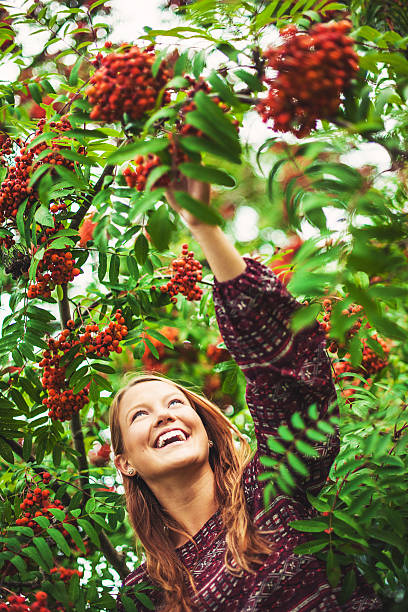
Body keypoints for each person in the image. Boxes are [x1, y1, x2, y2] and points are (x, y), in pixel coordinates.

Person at [110, 178, 381, 611]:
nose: (164, 415)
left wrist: (204, 227)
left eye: (176, 403)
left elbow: (290, 381)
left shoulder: (270, 486)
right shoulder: (142, 596)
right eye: (139, 415)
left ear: (205, 426)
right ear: (123, 462)